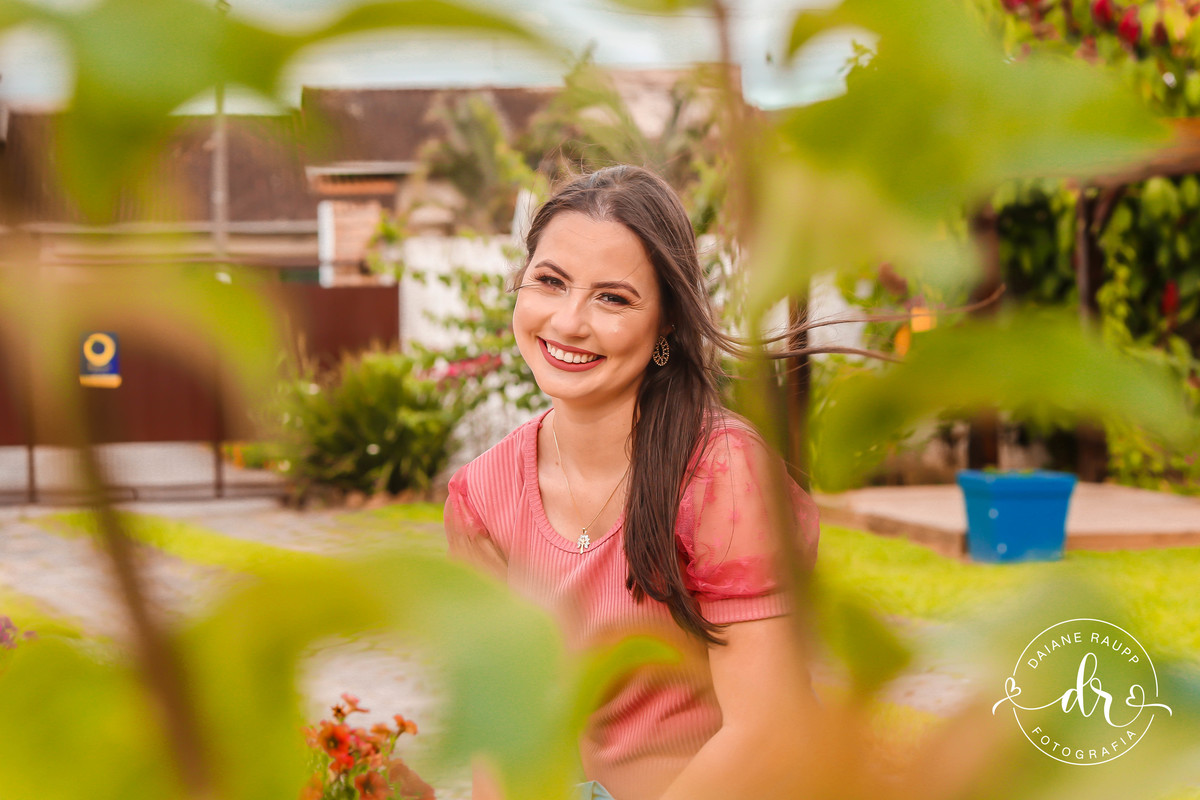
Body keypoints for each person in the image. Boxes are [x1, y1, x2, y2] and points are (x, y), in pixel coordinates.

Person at [443, 165, 820, 800]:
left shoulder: (721, 475)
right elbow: (502, 737)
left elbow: (768, 730)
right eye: (550, 282)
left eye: (612, 298)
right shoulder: (481, 499)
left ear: (666, 321)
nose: (569, 321)